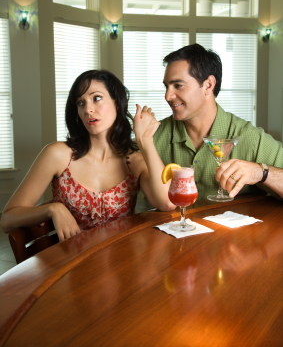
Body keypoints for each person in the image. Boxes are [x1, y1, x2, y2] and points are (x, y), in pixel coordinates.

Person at [1, 70, 175, 241]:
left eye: (96, 98)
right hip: (71, 262)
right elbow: (7, 220)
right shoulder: (58, 155)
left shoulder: (134, 162)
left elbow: (167, 204)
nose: (88, 109)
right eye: (80, 103)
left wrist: (145, 140)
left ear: (117, 103)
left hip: (121, 261)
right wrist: (53, 209)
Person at [153, 43, 283, 200]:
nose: (168, 96)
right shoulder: (153, 136)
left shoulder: (249, 137)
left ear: (208, 85)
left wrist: (261, 172)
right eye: (167, 86)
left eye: (178, 85)